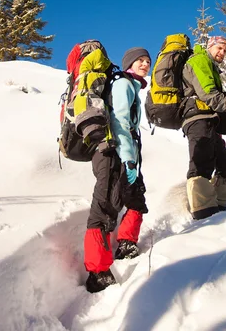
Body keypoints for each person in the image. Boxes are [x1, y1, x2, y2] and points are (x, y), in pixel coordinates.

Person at [84, 47, 151, 293]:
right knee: (105, 206)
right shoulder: (123, 84)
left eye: (147, 61)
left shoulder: (131, 85)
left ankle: (126, 243)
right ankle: (97, 271)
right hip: (112, 151)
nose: (145, 64)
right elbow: (120, 122)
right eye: (140, 61)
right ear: (129, 64)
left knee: (135, 197)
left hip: (123, 153)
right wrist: (128, 159)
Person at [181, 36, 226, 220]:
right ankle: (204, 214)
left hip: (210, 119)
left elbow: (213, 93)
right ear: (209, 46)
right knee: (201, 163)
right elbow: (207, 93)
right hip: (197, 117)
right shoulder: (200, 61)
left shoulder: (209, 65)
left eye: (225, 50)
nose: (222, 53)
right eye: (219, 48)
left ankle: (218, 208)